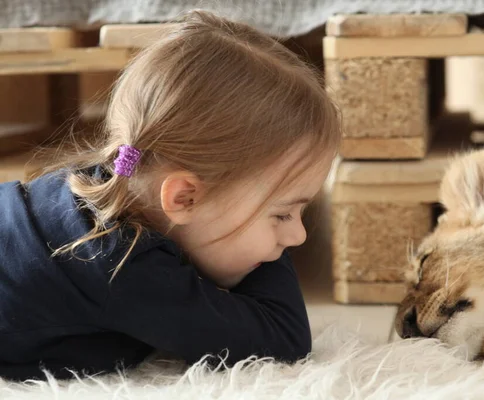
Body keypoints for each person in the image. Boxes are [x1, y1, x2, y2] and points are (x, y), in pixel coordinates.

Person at [0, 10, 341, 381]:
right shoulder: (124, 269)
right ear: (183, 198)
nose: (298, 237)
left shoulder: (107, 183)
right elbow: (284, 337)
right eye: (282, 215)